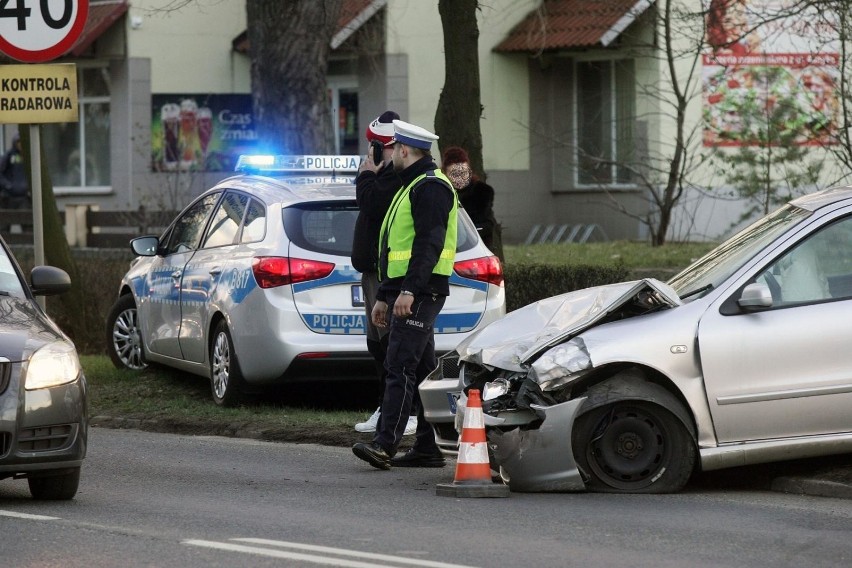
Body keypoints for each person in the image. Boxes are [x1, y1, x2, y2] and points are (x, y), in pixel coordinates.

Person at [351, 120, 458, 469]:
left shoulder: (430, 188)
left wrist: (409, 291)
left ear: (405, 151)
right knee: (425, 372)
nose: (389, 153)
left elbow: (429, 244)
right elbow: (395, 250)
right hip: (407, 291)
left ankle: (385, 444)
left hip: (421, 291)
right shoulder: (411, 185)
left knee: (398, 363)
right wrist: (385, 294)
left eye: (393, 148)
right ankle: (428, 447)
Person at [351, 111, 417, 436]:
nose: (369, 154)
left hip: (392, 276)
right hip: (374, 273)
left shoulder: (396, 177)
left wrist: (366, 175)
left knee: (395, 346)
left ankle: (408, 412)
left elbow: (372, 205)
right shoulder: (383, 175)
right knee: (378, 346)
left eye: (375, 147)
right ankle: (385, 408)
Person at [441, 146, 503, 262]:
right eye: (454, 173)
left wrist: (469, 235)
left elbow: (487, 225)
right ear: (445, 173)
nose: (460, 178)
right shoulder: (440, 192)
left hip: (475, 254)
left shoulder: (482, 192)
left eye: (463, 172)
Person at [0, 132, 31, 233]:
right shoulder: (8, 156)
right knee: (4, 226)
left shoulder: (28, 157)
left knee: (27, 225)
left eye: (22, 142)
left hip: (23, 197)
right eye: (18, 142)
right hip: (8, 197)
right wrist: (8, 186)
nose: (20, 144)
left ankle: (30, 248)